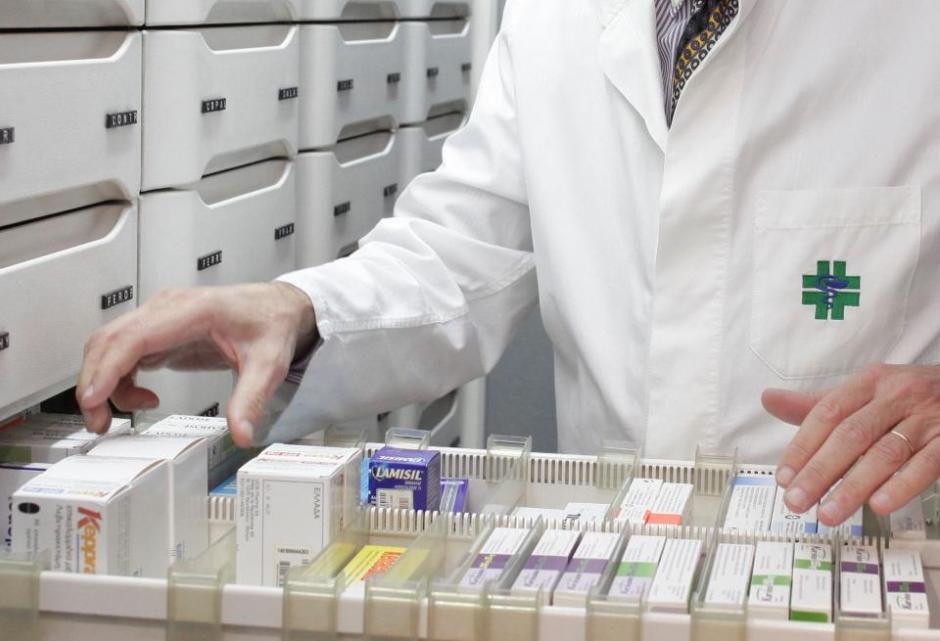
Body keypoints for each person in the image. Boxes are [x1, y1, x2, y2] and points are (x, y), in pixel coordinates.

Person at [77, 0, 940, 529]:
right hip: (618, 562)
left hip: (868, 567)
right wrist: (298, 310)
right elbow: (462, 254)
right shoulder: (554, 17)